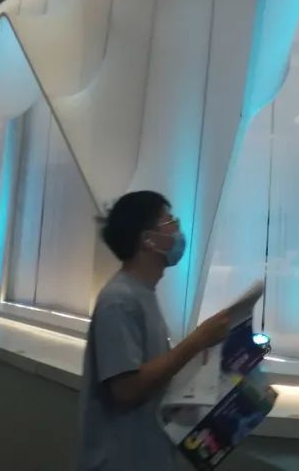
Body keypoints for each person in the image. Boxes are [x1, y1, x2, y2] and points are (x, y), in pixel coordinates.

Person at [78, 191, 231, 471]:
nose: (178, 230)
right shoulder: (119, 301)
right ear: (148, 239)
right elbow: (126, 389)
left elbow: (153, 373)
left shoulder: (143, 295)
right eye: (170, 222)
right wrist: (196, 342)